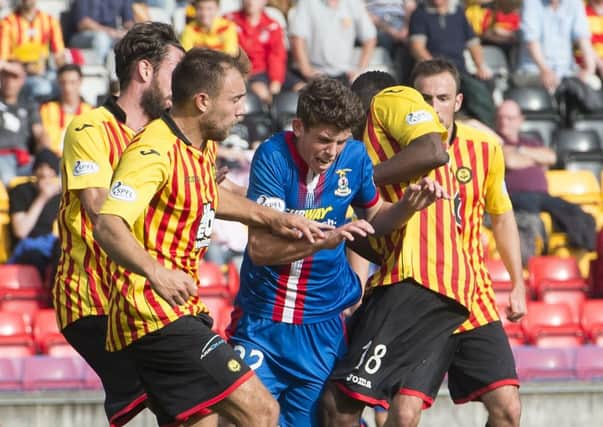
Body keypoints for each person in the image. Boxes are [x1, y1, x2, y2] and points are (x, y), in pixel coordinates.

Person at [93, 48, 332, 427]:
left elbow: (207, 195)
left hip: (181, 312)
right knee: (261, 411)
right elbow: (108, 224)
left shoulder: (202, 143)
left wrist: (278, 218)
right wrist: (156, 271)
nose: (242, 110)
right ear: (203, 101)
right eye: (235, 99)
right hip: (153, 315)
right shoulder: (153, 150)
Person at [226, 77, 447, 427]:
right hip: (262, 322)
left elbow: (374, 216)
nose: (332, 152)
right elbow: (261, 248)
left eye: (341, 141)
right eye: (324, 140)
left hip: (321, 328)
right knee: (239, 419)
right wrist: (324, 240)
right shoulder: (272, 156)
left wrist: (407, 206)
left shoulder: (355, 158)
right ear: (298, 127)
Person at [372, 58, 525, 427]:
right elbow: (368, 218)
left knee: (508, 409)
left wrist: (518, 283)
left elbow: (501, 217)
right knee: (404, 414)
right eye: (423, 99)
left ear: (457, 102)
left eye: (441, 98)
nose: (432, 107)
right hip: (419, 298)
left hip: (473, 297)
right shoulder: (393, 151)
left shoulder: (485, 148)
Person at [319, 73, 477, 425]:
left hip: (420, 279)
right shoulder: (393, 169)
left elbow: (435, 150)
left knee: (340, 404)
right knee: (396, 411)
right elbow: (378, 243)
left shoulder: (389, 97)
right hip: (417, 281)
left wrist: (361, 180)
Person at [52, 22, 186, 427]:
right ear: (144, 71)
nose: (182, 84)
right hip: (92, 298)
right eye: (175, 70)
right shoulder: (89, 128)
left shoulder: (172, 136)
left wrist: (276, 218)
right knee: (186, 402)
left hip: (142, 298)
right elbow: (98, 210)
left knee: (192, 406)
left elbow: (215, 191)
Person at [497, 99, 596, 252]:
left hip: (542, 196)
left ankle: (583, 255)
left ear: (520, 120)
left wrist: (520, 150)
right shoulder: (494, 141)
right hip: (514, 197)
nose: (505, 122)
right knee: (529, 219)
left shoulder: (530, 142)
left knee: (579, 214)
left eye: (509, 118)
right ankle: (539, 257)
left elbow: (551, 157)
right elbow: (509, 160)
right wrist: (535, 159)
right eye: (501, 117)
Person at [408, 0, 496, 127]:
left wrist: (480, 66)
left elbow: (473, 43)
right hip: (432, 71)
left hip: (459, 70)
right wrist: (437, 69)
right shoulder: (419, 14)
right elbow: (417, 48)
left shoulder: (459, 13)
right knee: (477, 92)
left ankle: (485, 129)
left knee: (484, 86)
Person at [226, 0, 301, 105]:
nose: (251, 2)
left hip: (271, 71)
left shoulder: (272, 25)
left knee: (303, 89)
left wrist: (276, 81)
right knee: (262, 92)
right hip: (248, 73)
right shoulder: (229, 21)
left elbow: (277, 56)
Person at [514, 0, 597, 93]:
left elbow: (583, 38)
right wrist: (545, 70)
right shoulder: (531, 2)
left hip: (567, 71)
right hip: (533, 70)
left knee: (593, 85)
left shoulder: (574, 2)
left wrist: (589, 70)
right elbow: (531, 40)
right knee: (552, 87)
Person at [289, 0, 377, 85]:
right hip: (315, 75)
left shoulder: (354, 2)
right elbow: (297, 38)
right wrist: (306, 70)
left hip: (345, 76)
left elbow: (370, 37)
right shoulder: (307, 2)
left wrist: (360, 70)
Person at [8, 148, 61, 277]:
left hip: (50, 244)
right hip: (25, 247)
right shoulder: (21, 191)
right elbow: (21, 231)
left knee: (62, 252)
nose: (45, 173)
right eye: (41, 167)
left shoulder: (59, 197)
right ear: (34, 170)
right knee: (35, 256)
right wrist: (43, 198)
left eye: (50, 169)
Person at [0, 0, 65, 100]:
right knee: (42, 87)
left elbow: (59, 54)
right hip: (19, 74)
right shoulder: (7, 23)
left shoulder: (49, 20)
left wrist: (63, 74)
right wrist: (25, 68)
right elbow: (3, 60)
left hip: (44, 70)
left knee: (62, 85)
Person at [0, 60, 50, 185]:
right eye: (5, 76)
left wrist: (45, 154)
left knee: (52, 173)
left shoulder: (29, 105)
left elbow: (39, 133)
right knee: (7, 177)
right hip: (2, 156)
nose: (9, 82)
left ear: (22, 80)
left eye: (14, 77)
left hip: (24, 159)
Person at [39, 64, 92, 156]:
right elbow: (42, 138)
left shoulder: (90, 111)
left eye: (72, 82)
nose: (67, 88)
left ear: (80, 82)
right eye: (63, 82)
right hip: (54, 159)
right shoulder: (47, 109)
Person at [69, 0, 134, 65]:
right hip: (82, 36)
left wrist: (129, 33)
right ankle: (99, 71)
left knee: (131, 39)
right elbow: (83, 24)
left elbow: (128, 22)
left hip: (111, 36)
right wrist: (110, 32)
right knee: (102, 38)